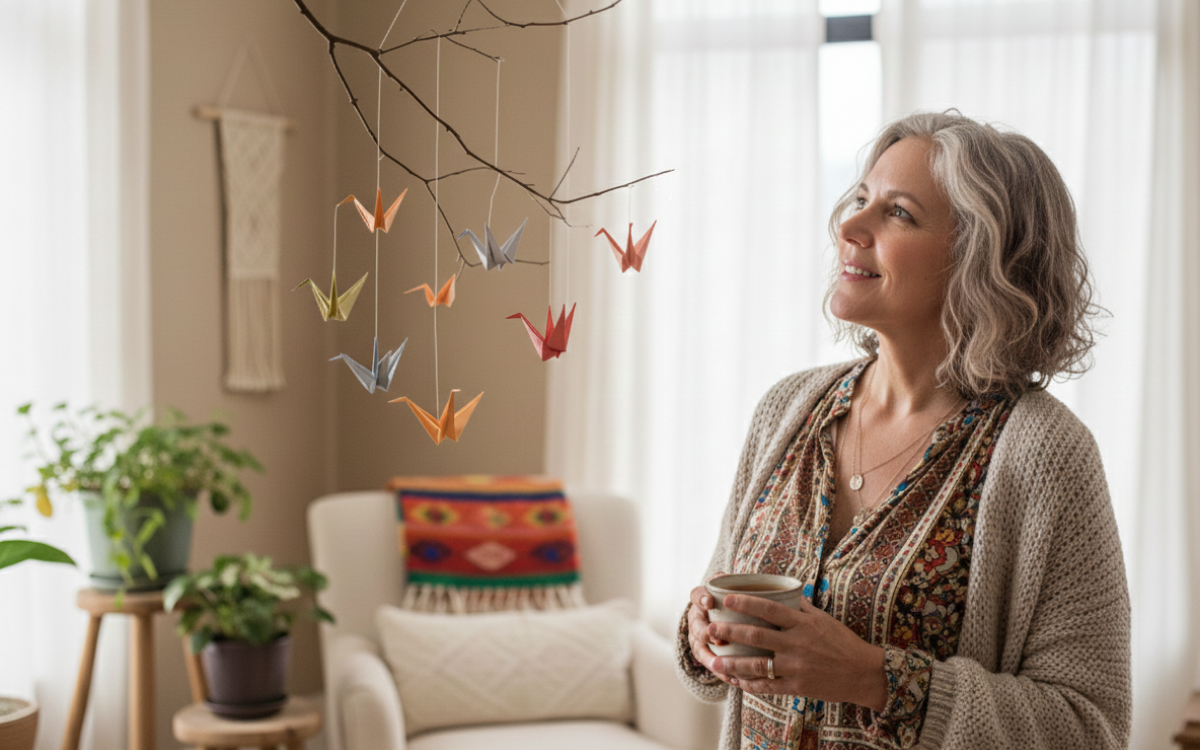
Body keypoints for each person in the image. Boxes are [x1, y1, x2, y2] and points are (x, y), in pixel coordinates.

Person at [675, 111, 1131, 750]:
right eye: (859, 199)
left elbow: (1091, 729)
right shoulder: (787, 409)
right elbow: (717, 649)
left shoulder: (1046, 453)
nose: (849, 225)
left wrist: (876, 679)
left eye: (898, 213)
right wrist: (701, 633)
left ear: (980, 256)